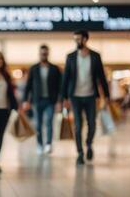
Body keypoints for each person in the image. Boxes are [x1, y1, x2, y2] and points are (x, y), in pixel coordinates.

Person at [62, 30, 109, 166]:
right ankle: (80, 153)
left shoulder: (95, 56)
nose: (76, 41)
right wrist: (64, 97)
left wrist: (106, 96)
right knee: (77, 126)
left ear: (85, 39)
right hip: (75, 96)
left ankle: (88, 143)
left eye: (79, 39)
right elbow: (66, 79)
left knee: (92, 124)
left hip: (90, 96)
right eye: (75, 39)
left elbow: (101, 78)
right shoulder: (70, 57)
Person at [22, 45, 62, 155]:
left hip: (50, 100)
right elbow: (28, 86)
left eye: (45, 53)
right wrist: (25, 100)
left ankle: (48, 144)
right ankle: (39, 144)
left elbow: (60, 86)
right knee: (38, 124)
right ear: (39, 54)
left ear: (48, 54)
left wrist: (60, 101)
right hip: (37, 100)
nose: (43, 55)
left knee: (49, 122)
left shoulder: (55, 68)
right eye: (42, 53)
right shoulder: (34, 68)